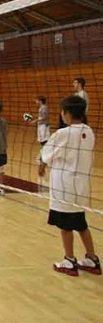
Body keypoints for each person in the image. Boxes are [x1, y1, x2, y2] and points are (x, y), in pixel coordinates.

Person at [38, 95, 100, 276]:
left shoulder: (63, 133)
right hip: (81, 188)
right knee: (81, 224)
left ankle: (69, 260)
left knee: (65, 227)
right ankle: (92, 258)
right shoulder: (89, 131)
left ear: (67, 113)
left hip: (63, 187)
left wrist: (41, 164)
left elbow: (46, 153)